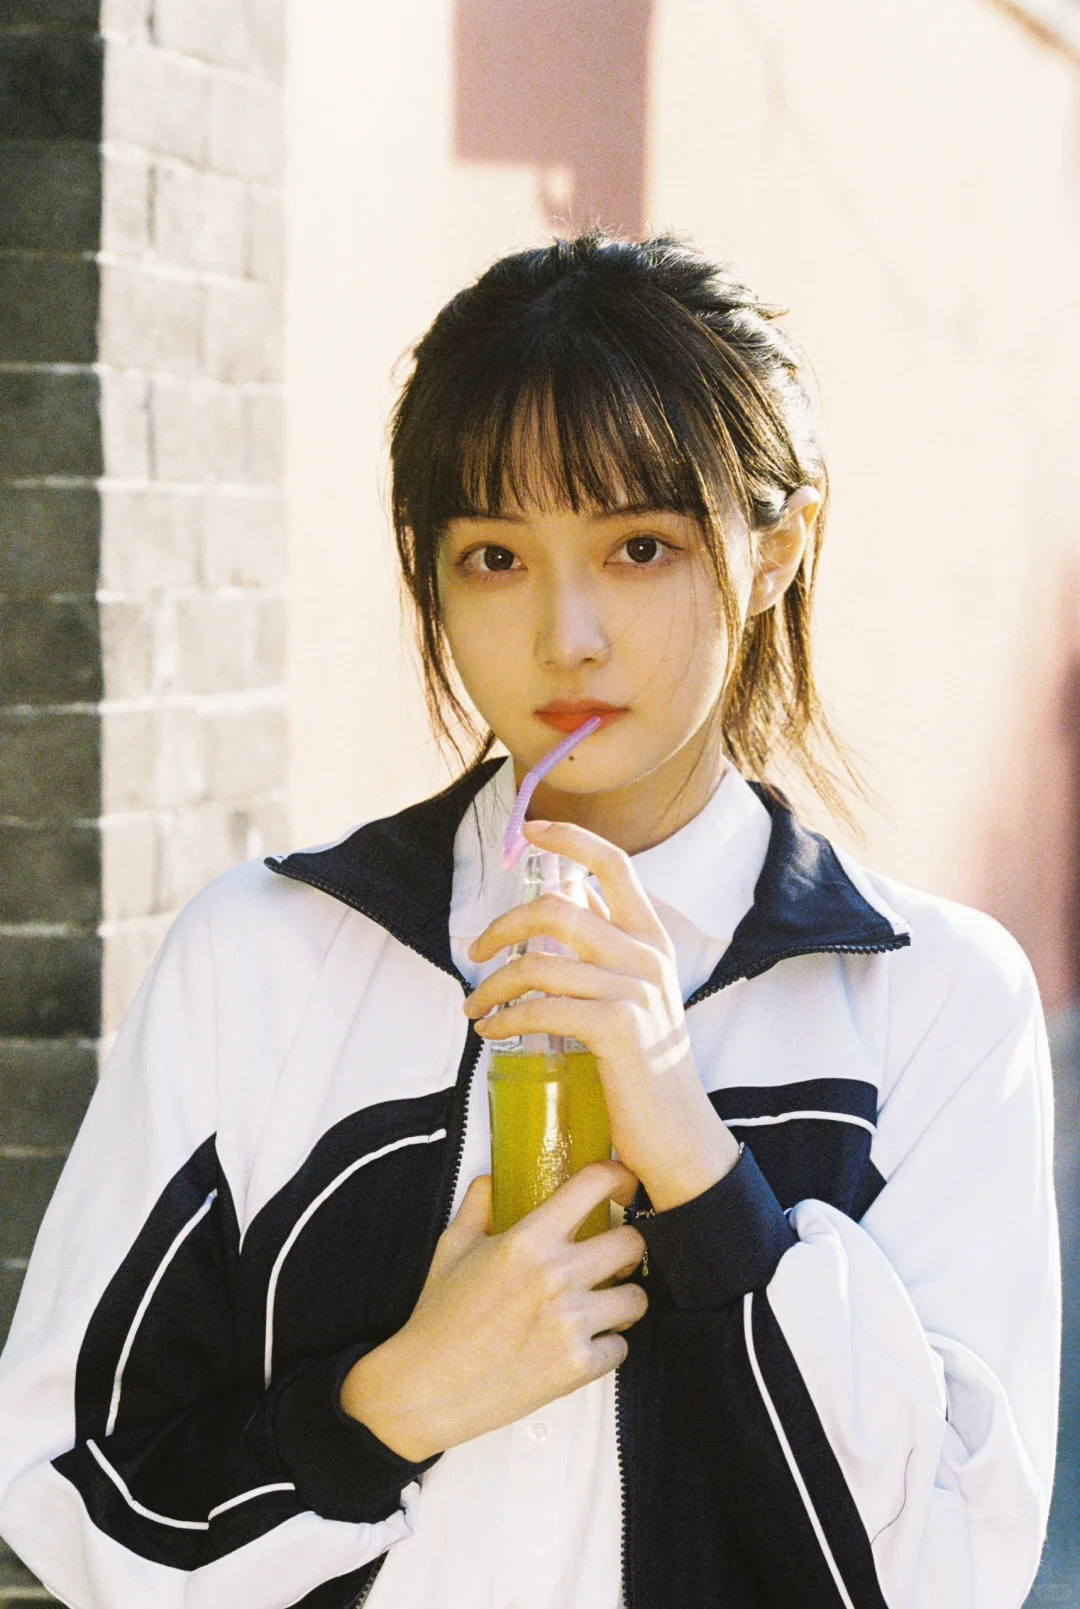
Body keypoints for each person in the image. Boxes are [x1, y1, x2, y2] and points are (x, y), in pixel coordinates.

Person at [0, 233, 1059, 1609]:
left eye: (640, 547)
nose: (567, 634)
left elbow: (941, 1573)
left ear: (777, 548)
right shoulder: (262, 958)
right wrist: (393, 1405)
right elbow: (67, 1487)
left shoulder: (935, 1006)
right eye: (496, 555)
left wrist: (695, 1163)